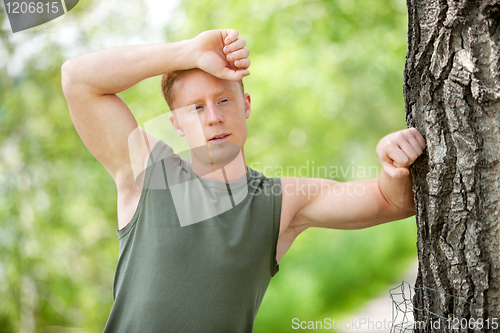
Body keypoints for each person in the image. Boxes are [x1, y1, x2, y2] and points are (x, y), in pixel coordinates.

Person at [61, 29, 426, 332]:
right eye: (196, 108)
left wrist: (392, 164)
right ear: (175, 124)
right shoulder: (149, 174)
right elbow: (78, 79)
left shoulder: (278, 201)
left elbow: (392, 201)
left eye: (223, 101)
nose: (213, 118)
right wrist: (188, 52)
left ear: (246, 105)